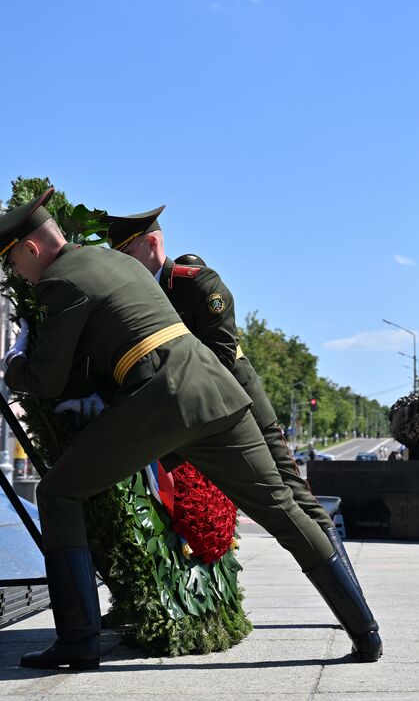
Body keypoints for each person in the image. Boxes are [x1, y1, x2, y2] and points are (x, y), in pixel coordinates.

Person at [0, 189, 381, 669]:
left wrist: (16, 359)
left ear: (31, 249)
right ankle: (365, 632)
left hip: (161, 402)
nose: (16, 272)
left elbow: (46, 378)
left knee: (58, 494)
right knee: (284, 510)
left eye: (13, 261)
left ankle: (78, 641)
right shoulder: (113, 261)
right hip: (218, 393)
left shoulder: (60, 281)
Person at [100, 207, 360, 584]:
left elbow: (220, 356)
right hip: (187, 418)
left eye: (127, 253)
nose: (123, 265)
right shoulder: (134, 297)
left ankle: (349, 593)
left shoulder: (195, 285)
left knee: (294, 498)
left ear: (151, 243)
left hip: (241, 407)